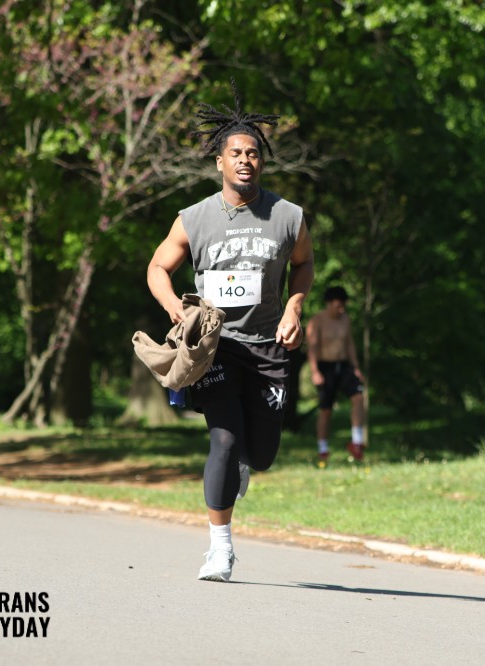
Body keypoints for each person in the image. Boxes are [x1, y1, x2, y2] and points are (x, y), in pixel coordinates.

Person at [146, 84, 313, 582]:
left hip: (267, 347)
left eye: (253, 153)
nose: (245, 160)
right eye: (236, 153)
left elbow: (303, 266)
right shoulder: (194, 219)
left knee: (260, 454)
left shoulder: (287, 216)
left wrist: (295, 305)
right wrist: (175, 308)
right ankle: (220, 550)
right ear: (220, 162)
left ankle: (242, 462)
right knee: (223, 439)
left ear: (262, 162)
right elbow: (158, 267)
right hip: (215, 347)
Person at [306, 286, 366, 464]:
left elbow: (350, 344)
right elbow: (312, 348)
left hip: (345, 365)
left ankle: (357, 442)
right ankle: (323, 449)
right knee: (326, 410)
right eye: (338, 306)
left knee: (358, 397)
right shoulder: (317, 321)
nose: (341, 310)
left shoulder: (345, 319)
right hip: (325, 367)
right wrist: (315, 371)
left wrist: (355, 367)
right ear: (329, 303)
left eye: (343, 306)